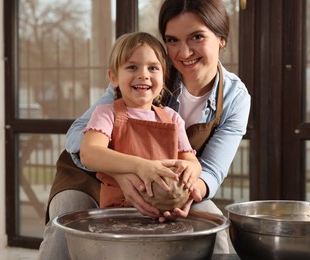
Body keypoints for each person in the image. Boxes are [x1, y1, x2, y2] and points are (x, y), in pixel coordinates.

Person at [38, 0, 250, 259]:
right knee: (68, 218)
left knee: (214, 226)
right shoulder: (141, 68)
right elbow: (79, 137)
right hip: (92, 177)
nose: (183, 53)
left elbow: (209, 170)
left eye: (196, 37)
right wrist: (127, 172)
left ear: (221, 38)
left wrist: (183, 193)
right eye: (172, 40)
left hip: (162, 187)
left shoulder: (234, 98)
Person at [79, 31, 201, 210]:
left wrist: (190, 169)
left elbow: (192, 162)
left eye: (153, 68)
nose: (143, 74)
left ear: (163, 77)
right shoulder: (106, 113)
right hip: (118, 215)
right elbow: (89, 154)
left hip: (163, 215)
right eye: (132, 67)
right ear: (113, 77)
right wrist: (141, 166)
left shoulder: (173, 118)